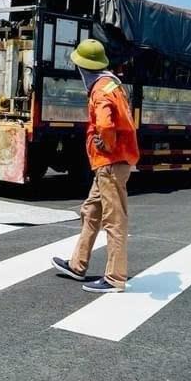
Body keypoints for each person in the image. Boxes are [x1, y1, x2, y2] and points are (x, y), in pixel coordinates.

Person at [52, 39, 139, 293]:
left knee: (114, 220)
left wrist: (107, 143)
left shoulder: (100, 90)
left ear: (84, 68)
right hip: (109, 164)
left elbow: (105, 122)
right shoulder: (112, 82)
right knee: (91, 211)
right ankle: (77, 264)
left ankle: (115, 278)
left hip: (111, 163)